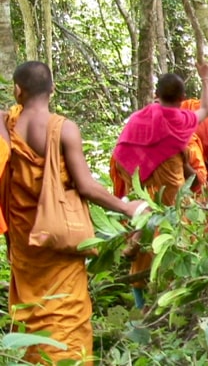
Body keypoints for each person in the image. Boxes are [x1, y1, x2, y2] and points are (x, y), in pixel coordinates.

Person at [0, 61, 145, 364]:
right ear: (52, 89)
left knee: (35, 312)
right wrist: (126, 207)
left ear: (17, 90)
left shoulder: (6, 125)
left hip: (25, 237)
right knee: (67, 315)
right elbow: (87, 186)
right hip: (59, 240)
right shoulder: (63, 128)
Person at [110, 63, 208, 308]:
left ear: (157, 94)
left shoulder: (140, 117)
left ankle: (147, 300)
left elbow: (123, 147)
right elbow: (206, 109)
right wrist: (206, 78)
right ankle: (166, 303)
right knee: (174, 230)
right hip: (169, 190)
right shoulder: (183, 119)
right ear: (182, 98)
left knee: (147, 223)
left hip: (138, 177)